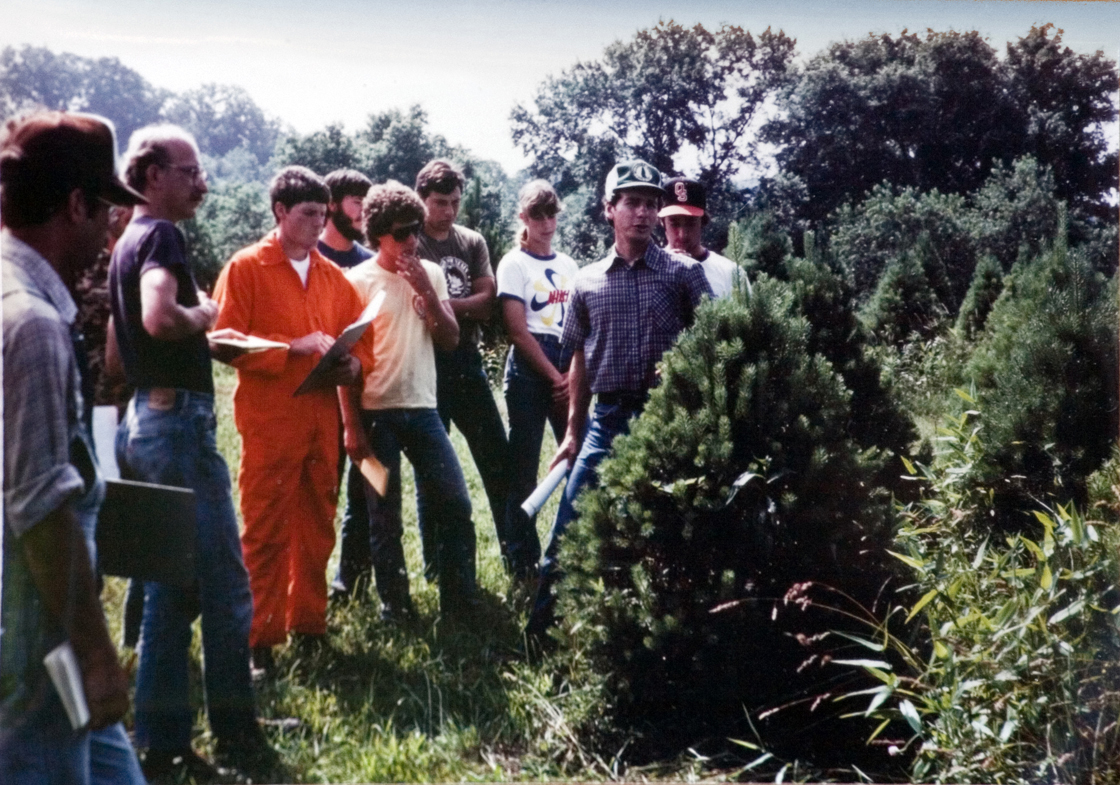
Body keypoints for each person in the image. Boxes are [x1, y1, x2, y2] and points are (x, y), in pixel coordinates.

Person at [108, 123, 277, 781]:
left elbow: (122, 351)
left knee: (164, 590)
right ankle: (237, 731)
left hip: (143, 418)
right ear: (153, 175)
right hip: (178, 427)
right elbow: (156, 315)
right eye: (189, 171)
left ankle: (161, 742)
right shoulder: (161, 235)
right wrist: (202, 318)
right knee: (226, 584)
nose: (201, 182)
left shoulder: (126, 238)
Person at [1, 110, 147, 785]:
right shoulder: (31, 326)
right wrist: (93, 651)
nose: (113, 227)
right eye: (107, 208)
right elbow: (39, 511)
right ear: (77, 204)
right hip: (38, 640)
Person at [526, 160, 712, 640]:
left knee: (670, 533)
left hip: (667, 418)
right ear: (609, 210)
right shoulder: (587, 282)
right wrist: (572, 432)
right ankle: (541, 637)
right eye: (631, 203)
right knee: (570, 526)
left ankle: (663, 639)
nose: (643, 214)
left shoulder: (684, 275)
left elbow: (714, 344)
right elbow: (579, 360)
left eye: (651, 204)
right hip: (607, 421)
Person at [212, 166, 369, 670]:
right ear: (280, 211)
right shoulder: (246, 267)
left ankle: (309, 624)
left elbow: (362, 342)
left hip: (322, 420)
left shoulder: (333, 277)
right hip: (270, 420)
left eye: (324, 215)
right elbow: (223, 340)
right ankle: (259, 639)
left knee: (317, 525)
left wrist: (353, 362)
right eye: (308, 214)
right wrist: (289, 348)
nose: (319, 224)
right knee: (264, 528)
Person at [341, 181, 477, 621]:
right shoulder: (354, 282)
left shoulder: (431, 274)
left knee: (456, 503)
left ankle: (459, 602)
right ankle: (395, 607)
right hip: (373, 416)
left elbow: (452, 340)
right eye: (402, 233)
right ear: (378, 232)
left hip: (423, 413)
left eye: (415, 230)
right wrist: (352, 428)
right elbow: (342, 363)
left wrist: (429, 295)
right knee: (383, 516)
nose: (412, 240)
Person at [414, 160, 512, 578]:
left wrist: (440, 305)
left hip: (466, 362)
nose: (449, 211)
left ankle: (516, 554)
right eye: (440, 203)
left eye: (455, 202)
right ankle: (437, 568)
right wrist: (459, 307)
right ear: (422, 199)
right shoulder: (411, 244)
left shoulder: (471, 241)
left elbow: (487, 302)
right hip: (424, 362)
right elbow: (413, 312)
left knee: (497, 459)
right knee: (431, 470)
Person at [496, 180, 580, 581]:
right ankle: (521, 558)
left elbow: (580, 325)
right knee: (524, 466)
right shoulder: (514, 263)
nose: (546, 224)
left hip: (567, 364)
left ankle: (573, 550)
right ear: (523, 219)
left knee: (575, 457)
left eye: (552, 214)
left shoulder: (569, 266)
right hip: (531, 369)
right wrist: (553, 376)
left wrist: (571, 376)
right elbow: (517, 331)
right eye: (537, 216)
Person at [316, 168, 377, 599]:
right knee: (319, 494)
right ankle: (306, 589)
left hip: (365, 397)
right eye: (356, 201)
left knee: (369, 488)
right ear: (332, 204)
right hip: (314, 401)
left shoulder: (367, 262)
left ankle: (351, 585)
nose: (362, 211)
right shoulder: (311, 257)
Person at [659, 176, 748, 299]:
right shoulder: (648, 271)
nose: (682, 234)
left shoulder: (731, 273)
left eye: (691, 223)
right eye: (674, 223)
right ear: (662, 222)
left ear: (703, 221)